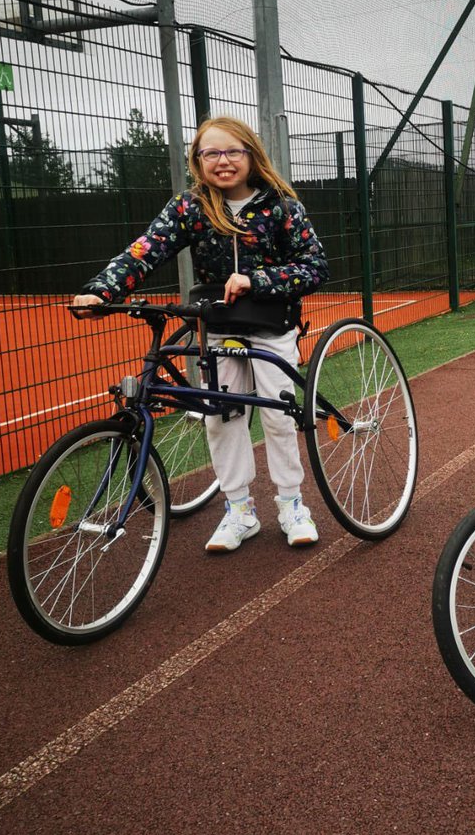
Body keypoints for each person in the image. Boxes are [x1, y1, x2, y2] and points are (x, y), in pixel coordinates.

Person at [72, 115, 329, 553]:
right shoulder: (190, 206)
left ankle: (291, 504)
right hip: (218, 324)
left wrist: (259, 280)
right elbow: (147, 248)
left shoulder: (282, 205)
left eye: (232, 151)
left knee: (278, 415)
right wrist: (102, 290)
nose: (223, 161)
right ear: (197, 160)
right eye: (211, 153)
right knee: (220, 415)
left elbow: (314, 266)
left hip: (271, 323)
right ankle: (239, 510)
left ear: (250, 154)